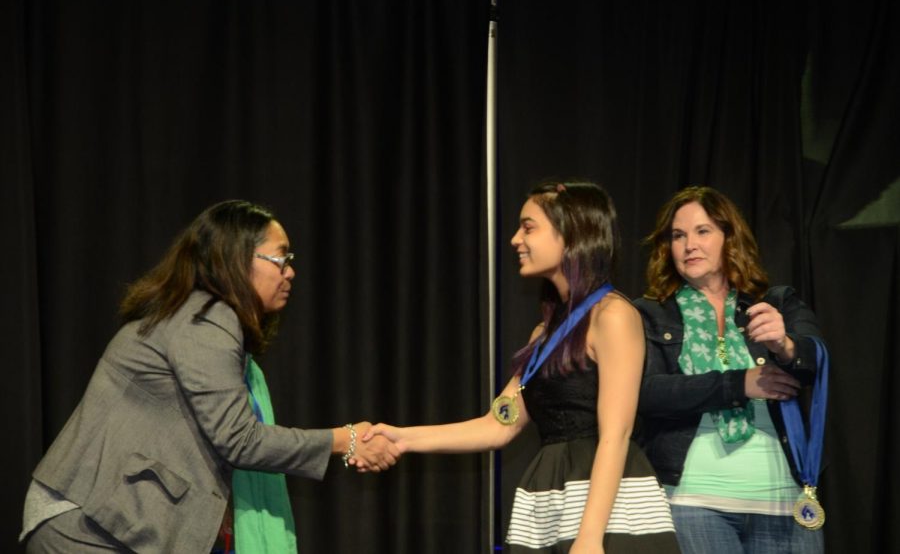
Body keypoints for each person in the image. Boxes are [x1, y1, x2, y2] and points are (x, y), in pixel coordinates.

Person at [21, 200, 399, 553]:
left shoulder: (195, 315)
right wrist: (344, 439)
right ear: (235, 258)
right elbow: (239, 440)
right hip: (85, 523)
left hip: (105, 521)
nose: (291, 272)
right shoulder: (206, 318)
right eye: (280, 258)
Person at [363, 181, 678, 553]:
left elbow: (616, 434)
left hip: (608, 512)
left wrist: (590, 536)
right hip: (551, 501)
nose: (515, 239)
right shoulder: (544, 333)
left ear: (573, 232)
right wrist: (403, 439)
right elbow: (498, 425)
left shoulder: (613, 315)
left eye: (528, 227)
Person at [634, 186, 828, 554]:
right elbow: (645, 392)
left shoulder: (777, 301)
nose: (689, 244)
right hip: (692, 504)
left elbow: (816, 364)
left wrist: (784, 346)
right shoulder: (649, 313)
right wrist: (739, 383)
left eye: (703, 231)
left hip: (785, 504)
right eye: (678, 235)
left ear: (729, 238)